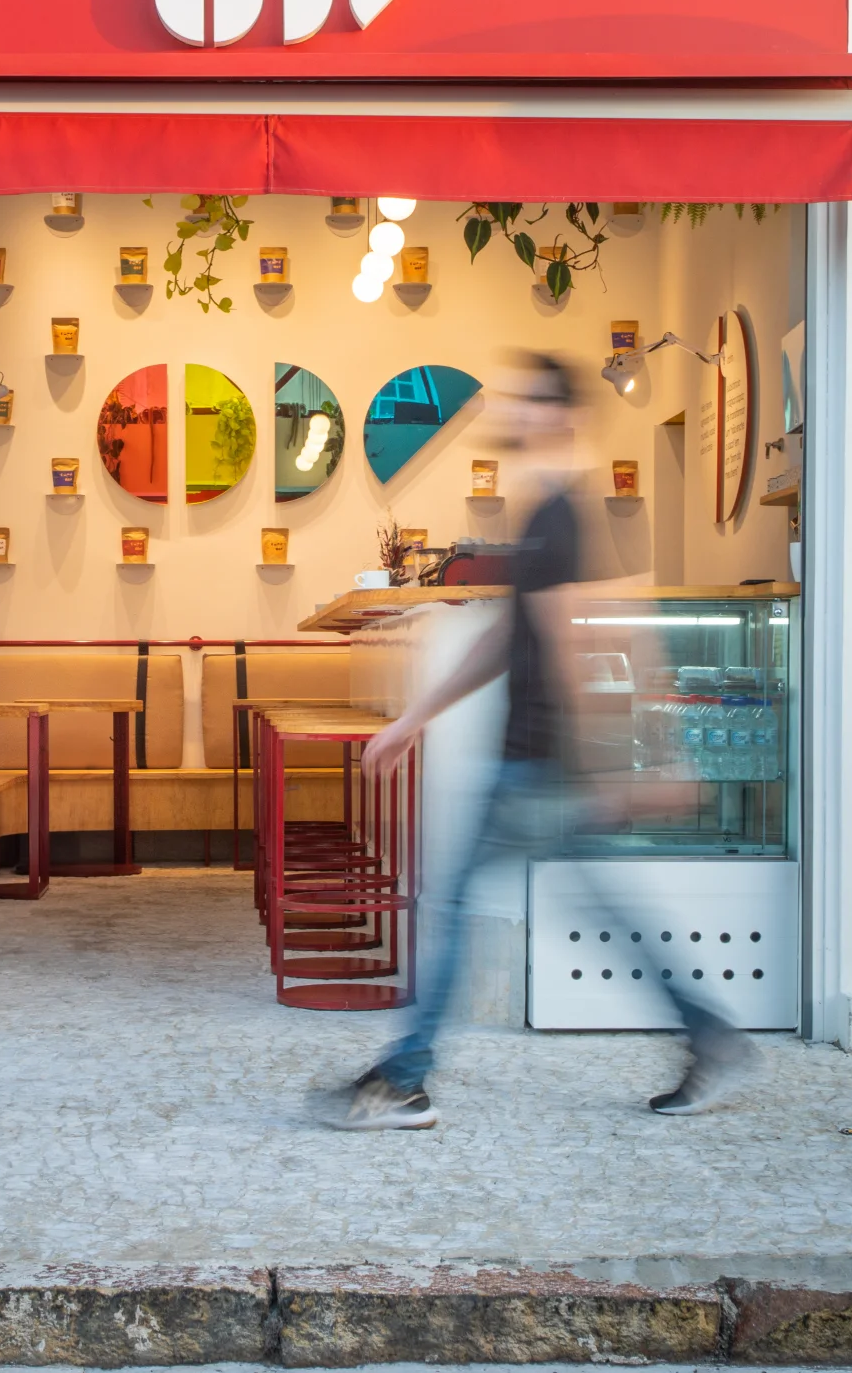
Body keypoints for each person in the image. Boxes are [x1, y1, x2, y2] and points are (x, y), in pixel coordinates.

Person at [320, 349, 755, 1131]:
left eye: (535, 401)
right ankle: (709, 1034)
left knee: (456, 904)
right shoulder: (545, 513)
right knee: (598, 905)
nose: (520, 412)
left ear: (565, 415)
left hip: (537, 765)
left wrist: (614, 769)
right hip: (538, 763)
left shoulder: (558, 516)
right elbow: (508, 638)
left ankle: (407, 1076)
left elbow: (569, 643)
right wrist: (415, 718)